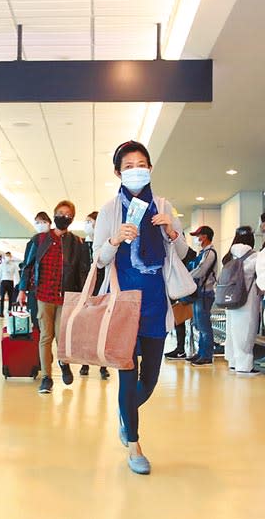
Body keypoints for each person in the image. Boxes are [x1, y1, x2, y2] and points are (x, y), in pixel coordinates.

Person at [94, 140, 188, 476]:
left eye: (141, 163)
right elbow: (99, 258)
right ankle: (134, 443)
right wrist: (115, 239)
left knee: (148, 379)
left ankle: (125, 412)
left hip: (154, 302)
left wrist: (170, 230)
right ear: (119, 172)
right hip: (122, 303)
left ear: (149, 168)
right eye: (129, 165)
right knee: (127, 374)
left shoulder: (163, 205)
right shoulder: (109, 210)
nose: (136, 170)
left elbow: (181, 252)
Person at [17, 201, 90, 394]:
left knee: (62, 336)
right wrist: (22, 290)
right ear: (54, 214)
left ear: (72, 219)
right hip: (43, 295)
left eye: (67, 215)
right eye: (60, 213)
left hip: (66, 297)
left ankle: (63, 362)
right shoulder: (39, 240)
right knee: (45, 336)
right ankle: (47, 378)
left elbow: (83, 272)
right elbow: (28, 265)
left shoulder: (77, 243)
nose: (63, 217)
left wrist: (84, 297)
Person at [222, 226, 260, 376]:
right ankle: (244, 366)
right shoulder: (254, 256)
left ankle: (233, 362)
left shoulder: (229, 255)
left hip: (230, 298)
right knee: (246, 331)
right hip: (247, 299)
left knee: (232, 331)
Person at [79, 211, 110, 380]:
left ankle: (103, 365)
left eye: (89, 221)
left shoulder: (107, 245)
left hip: (103, 290)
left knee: (102, 329)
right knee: (86, 328)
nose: (87, 224)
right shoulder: (81, 245)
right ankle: (85, 362)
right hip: (85, 291)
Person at [185, 226, 218, 366]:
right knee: (199, 324)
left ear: (204, 236)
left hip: (206, 293)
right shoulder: (204, 252)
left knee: (204, 326)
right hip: (200, 293)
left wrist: (186, 277)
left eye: (198, 236)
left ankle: (207, 355)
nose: (197, 239)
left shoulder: (210, 253)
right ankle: (201, 353)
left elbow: (201, 270)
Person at [22, 212, 51, 327]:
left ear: (50, 223)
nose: (41, 225)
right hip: (35, 288)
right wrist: (22, 289)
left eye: (44, 222)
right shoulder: (34, 241)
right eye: (38, 222)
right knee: (36, 321)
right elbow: (27, 266)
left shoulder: (56, 241)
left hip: (52, 288)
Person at [0, 251, 19, 317]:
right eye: (7, 256)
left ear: (11, 257)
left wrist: (16, 284)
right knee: (2, 298)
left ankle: (9, 311)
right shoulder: (2, 265)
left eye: (9, 256)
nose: (8, 257)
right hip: (3, 282)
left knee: (10, 298)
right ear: (5, 257)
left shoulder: (14, 265)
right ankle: (1, 313)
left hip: (10, 281)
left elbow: (16, 275)